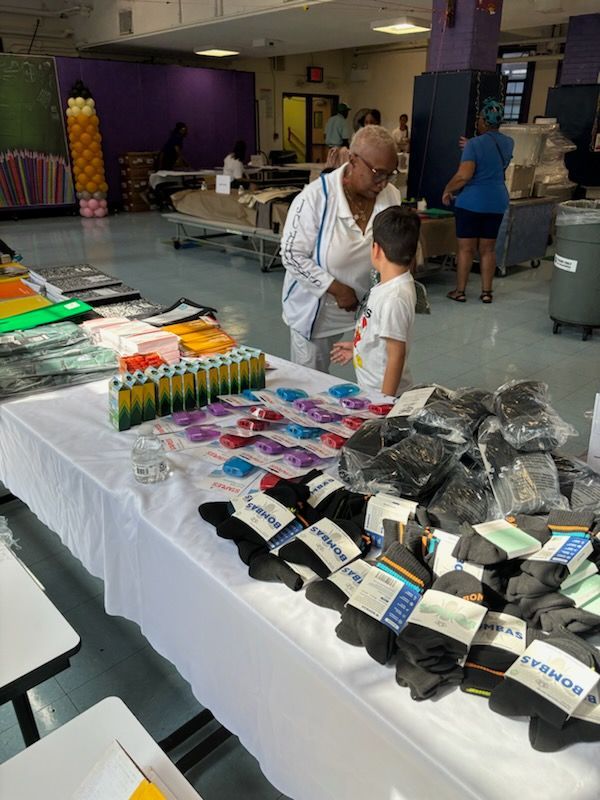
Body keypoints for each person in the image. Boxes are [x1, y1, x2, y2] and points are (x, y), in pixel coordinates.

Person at [280, 125, 401, 372]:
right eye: (378, 173)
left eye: (390, 174)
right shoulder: (315, 198)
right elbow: (292, 255)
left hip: (365, 309)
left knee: (372, 373)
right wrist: (336, 289)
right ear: (353, 160)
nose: (383, 183)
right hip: (318, 312)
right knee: (311, 381)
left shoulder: (390, 195)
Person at [331, 206, 419, 396]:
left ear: (376, 249)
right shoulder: (387, 286)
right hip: (371, 386)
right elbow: (379, 332)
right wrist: (359, 347)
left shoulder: (394, 298)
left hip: (381, 392)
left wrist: (383, 404)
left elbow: (396, 355)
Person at [442, 98, 513, 304]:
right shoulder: (509, 142)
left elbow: (464, 176)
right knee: (488, 249)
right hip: (497, 201)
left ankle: (460, 291)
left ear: (482, 120)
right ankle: (486, 292)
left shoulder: (473, 145)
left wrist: (447, 189)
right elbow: (493, 156)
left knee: (465, 249)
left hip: (472, 202)